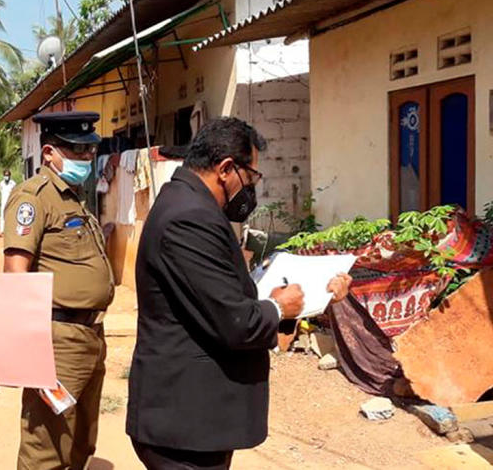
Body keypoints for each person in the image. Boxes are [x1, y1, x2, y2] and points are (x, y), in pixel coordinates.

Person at [126, 117, 351, 469]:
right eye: (251, 178)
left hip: (193, 421)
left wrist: (305, 300)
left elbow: (216, 299)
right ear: (226, 169)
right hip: (184, 424)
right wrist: (277, 308)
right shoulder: (189, 218)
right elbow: (234, 321)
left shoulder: (189, 205)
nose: (251, 189)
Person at [3, 112, 114, 470]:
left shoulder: (73, 197)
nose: (85, 158)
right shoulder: (32, 198)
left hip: (89, 335)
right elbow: (15, 274)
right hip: (58, 339)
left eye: (89, 151)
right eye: (76, 150)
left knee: (81, 438)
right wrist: (30, 350)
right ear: (49, 152)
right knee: (47, 445)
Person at [0, 169, 16, 237]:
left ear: (10, 176)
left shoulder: (13, 183)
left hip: (10, 201)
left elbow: (14, 192)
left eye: (7, 175)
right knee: (3, 216)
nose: (6, 177)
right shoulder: (1, 183)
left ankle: (10, 231)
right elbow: (1, 190)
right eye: (5, 175)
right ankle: (2, 231)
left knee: (10, 216)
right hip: (3, 201)